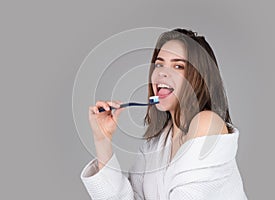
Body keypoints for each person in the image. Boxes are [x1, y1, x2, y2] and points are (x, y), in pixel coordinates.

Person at [81, 28, 248, 199]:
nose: (162, 72)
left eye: (178, 66)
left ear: (198, 78)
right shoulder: (154, 146)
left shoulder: (207, 123)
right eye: (159, 64)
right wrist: (102, 139)